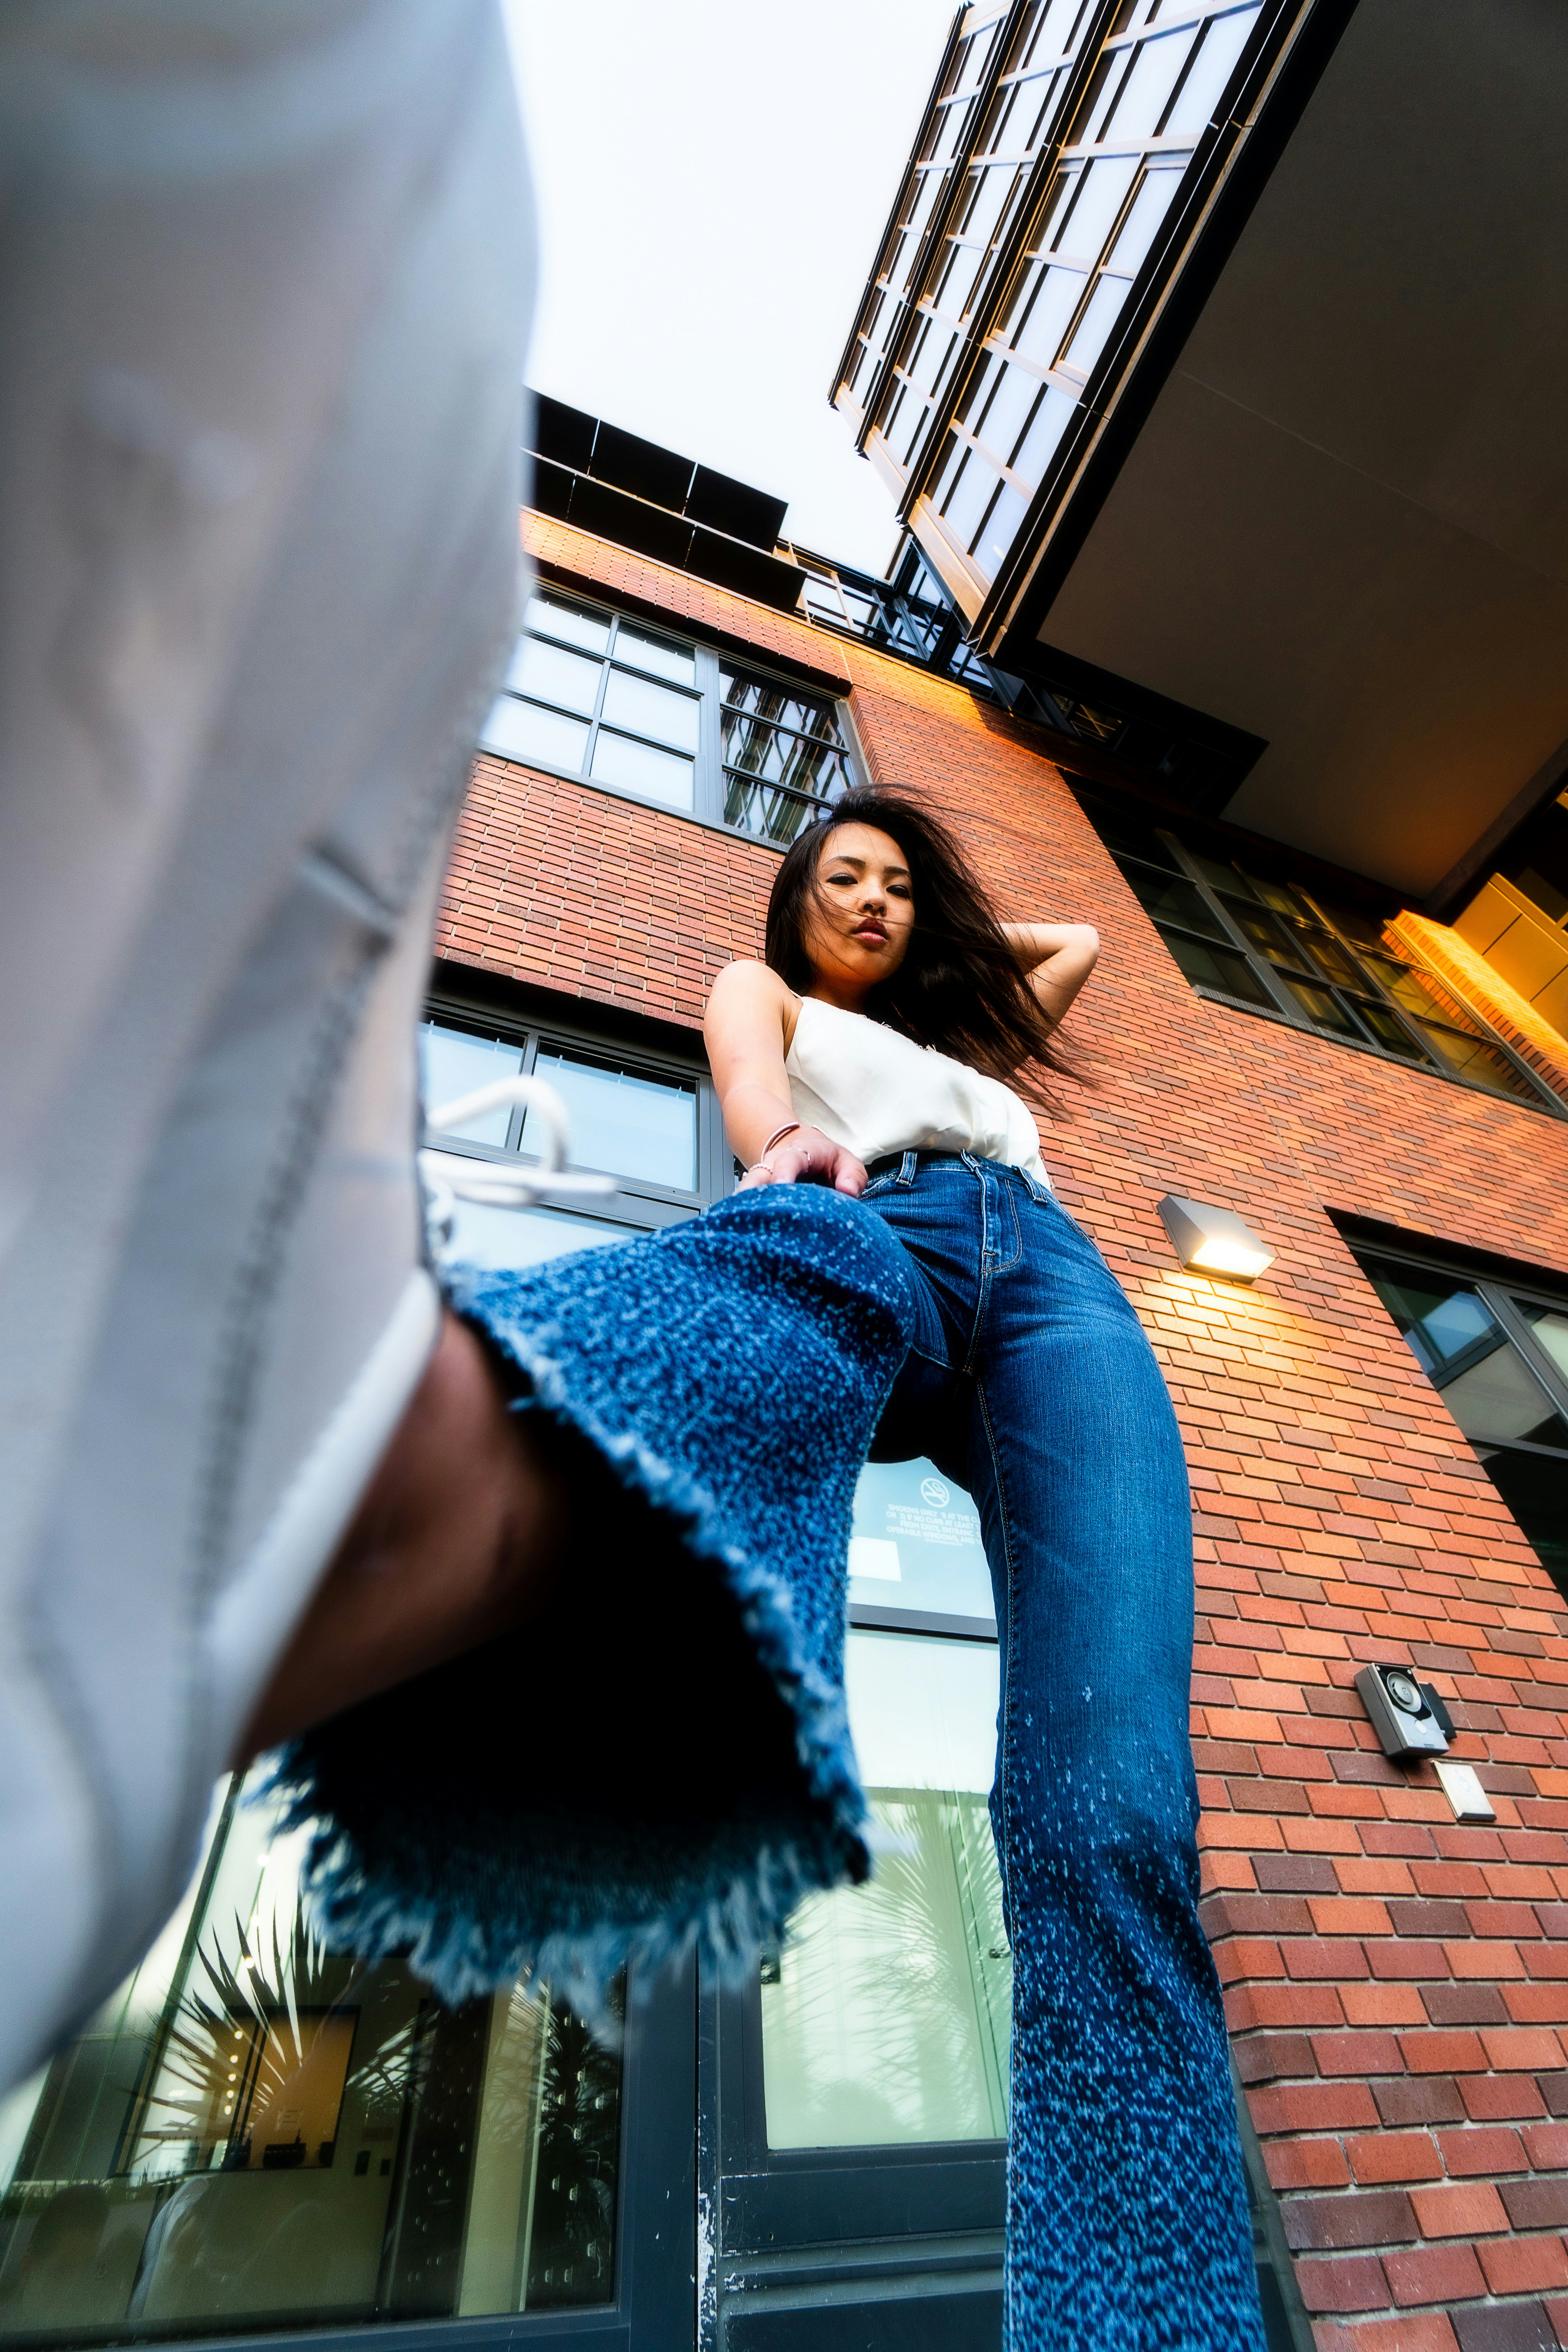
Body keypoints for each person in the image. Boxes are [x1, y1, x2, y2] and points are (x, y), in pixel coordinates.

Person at [704, 788, 1266, 2350]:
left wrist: (938, 928)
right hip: (873, 1213)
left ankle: (1137, 2324)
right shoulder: (772, 994)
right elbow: (757, 1082)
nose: (875, 902)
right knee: (748, 1291)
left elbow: (1076, 942)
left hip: (1058, 1282)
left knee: (1119, 1812)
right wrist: (783, 1143)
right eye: (843, 880)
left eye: (898, 884)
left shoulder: (966, 1059)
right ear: (789, 908)